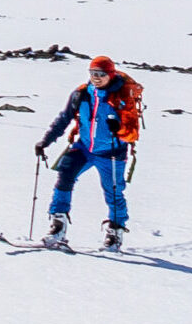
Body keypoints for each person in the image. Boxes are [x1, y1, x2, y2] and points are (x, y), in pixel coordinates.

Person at [34, 54, 143, 249]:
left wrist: (117, 128)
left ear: (110, 74)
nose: (96, 77)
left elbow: (132, 133)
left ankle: (115, 233)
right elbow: (64, 119)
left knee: (113, 192)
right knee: (65, 174)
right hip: (84, 148)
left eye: (101, 73)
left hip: (112, 153)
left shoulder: (121, 98)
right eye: (93, 73)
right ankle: (58, 226)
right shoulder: (81, 94)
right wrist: (45, 141)